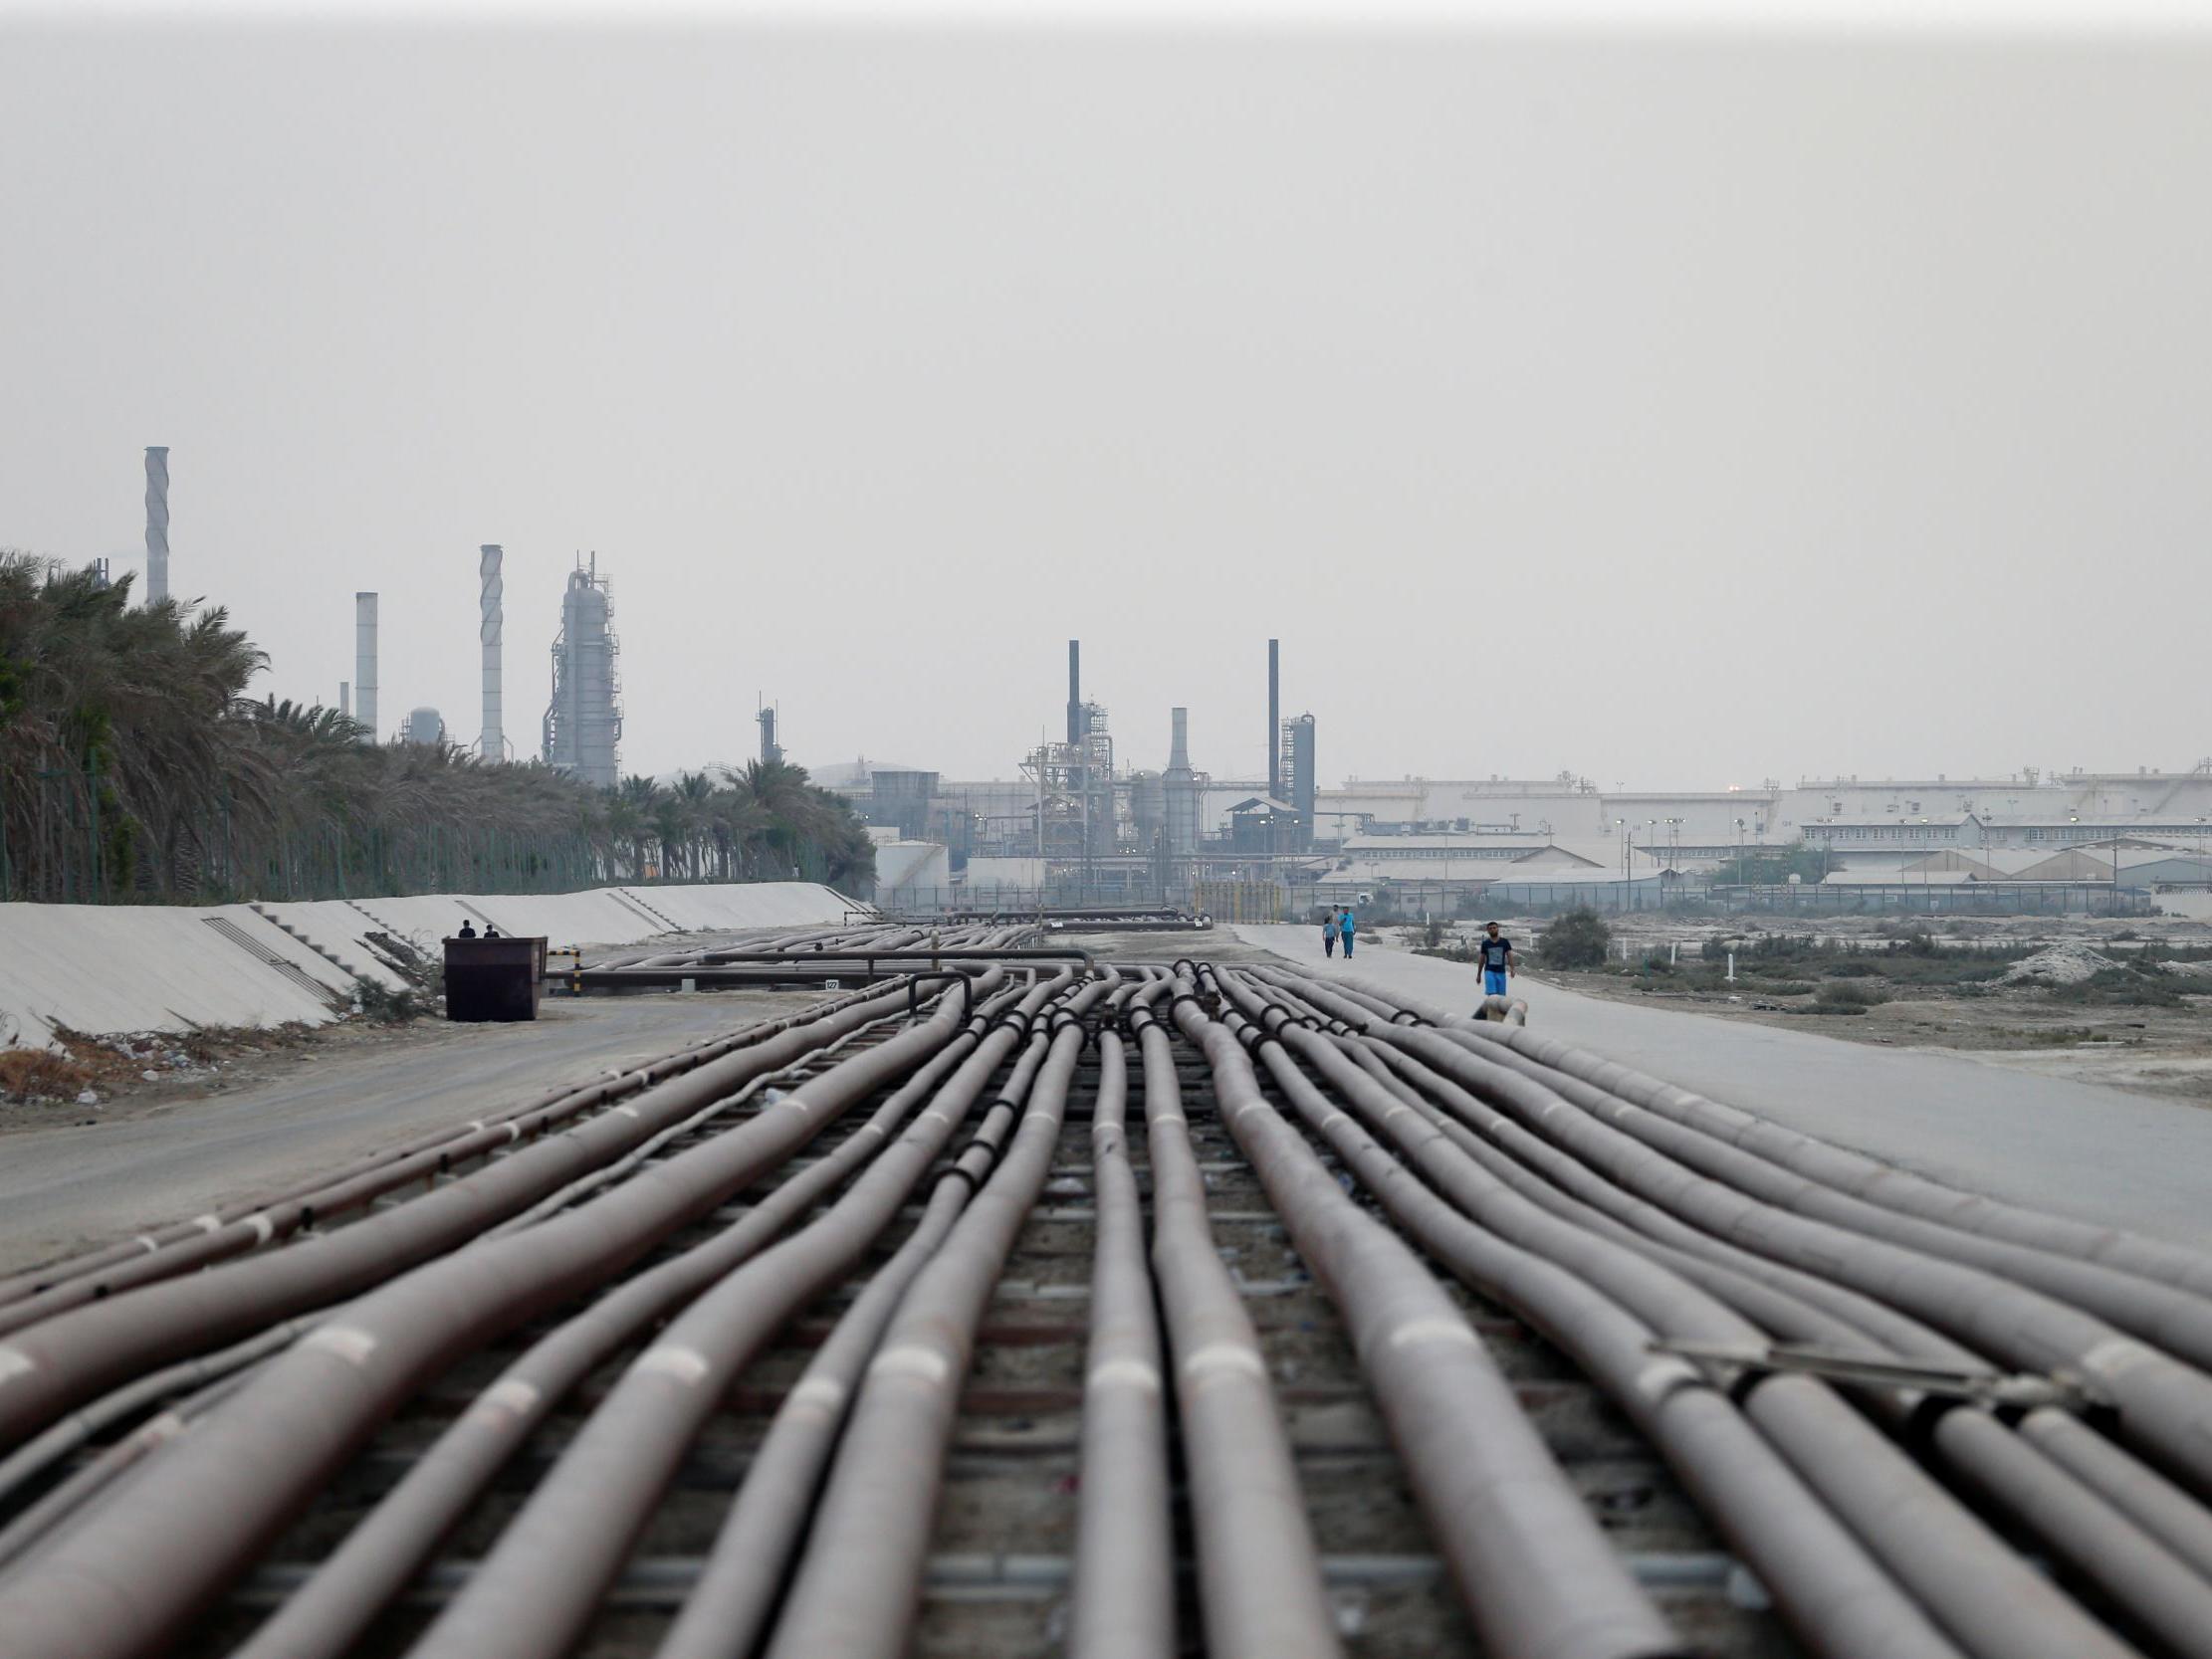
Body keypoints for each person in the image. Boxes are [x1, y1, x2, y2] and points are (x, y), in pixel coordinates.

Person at [1476, 921, 1515, 999]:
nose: (1492, 929)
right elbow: (1482, 959)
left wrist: (1512, 969)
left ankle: (1498, 1011)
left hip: (1501, 972)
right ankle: (1492, 1010)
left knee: (1501, 997)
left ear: (1498, 929)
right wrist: (1479, 974)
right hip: (1489, 971)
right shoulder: (1485, 943)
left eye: (1494, 928)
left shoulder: (1504, 942)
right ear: (1488, 931)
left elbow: (1510, 955)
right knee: (1492, 995)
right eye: (1490, 928)